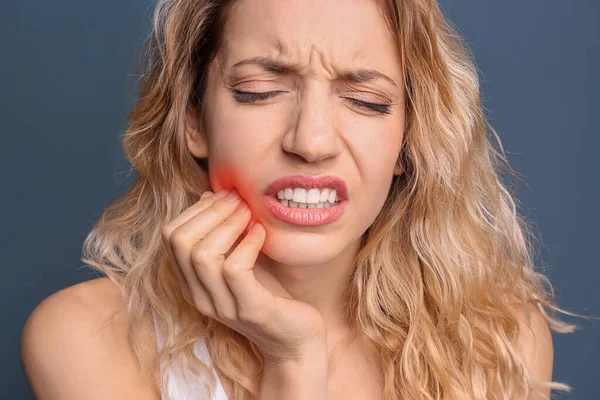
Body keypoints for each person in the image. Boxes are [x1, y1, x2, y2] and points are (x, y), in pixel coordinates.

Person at [20, 0, 577, 399]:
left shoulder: (501, 340)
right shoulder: (86, 337)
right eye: (260, 91)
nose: (310, 142)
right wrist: (292, 361)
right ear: (194, 120)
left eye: (365, 100)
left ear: (409, 143)